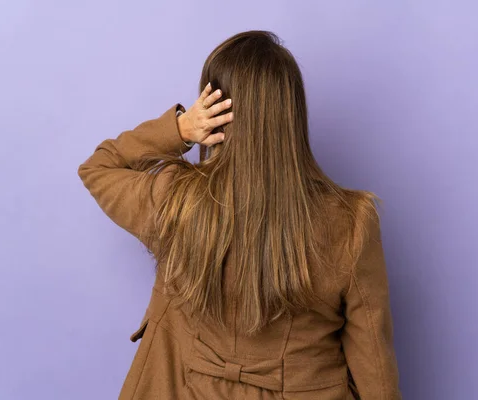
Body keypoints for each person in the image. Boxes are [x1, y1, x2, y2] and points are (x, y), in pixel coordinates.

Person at [78, 30, 401, 400]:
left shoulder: (175, 201)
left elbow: (99, 167)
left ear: (215, 114)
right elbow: (373, 363)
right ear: (292, 114)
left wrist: (182, 128)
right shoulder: (351, 222)